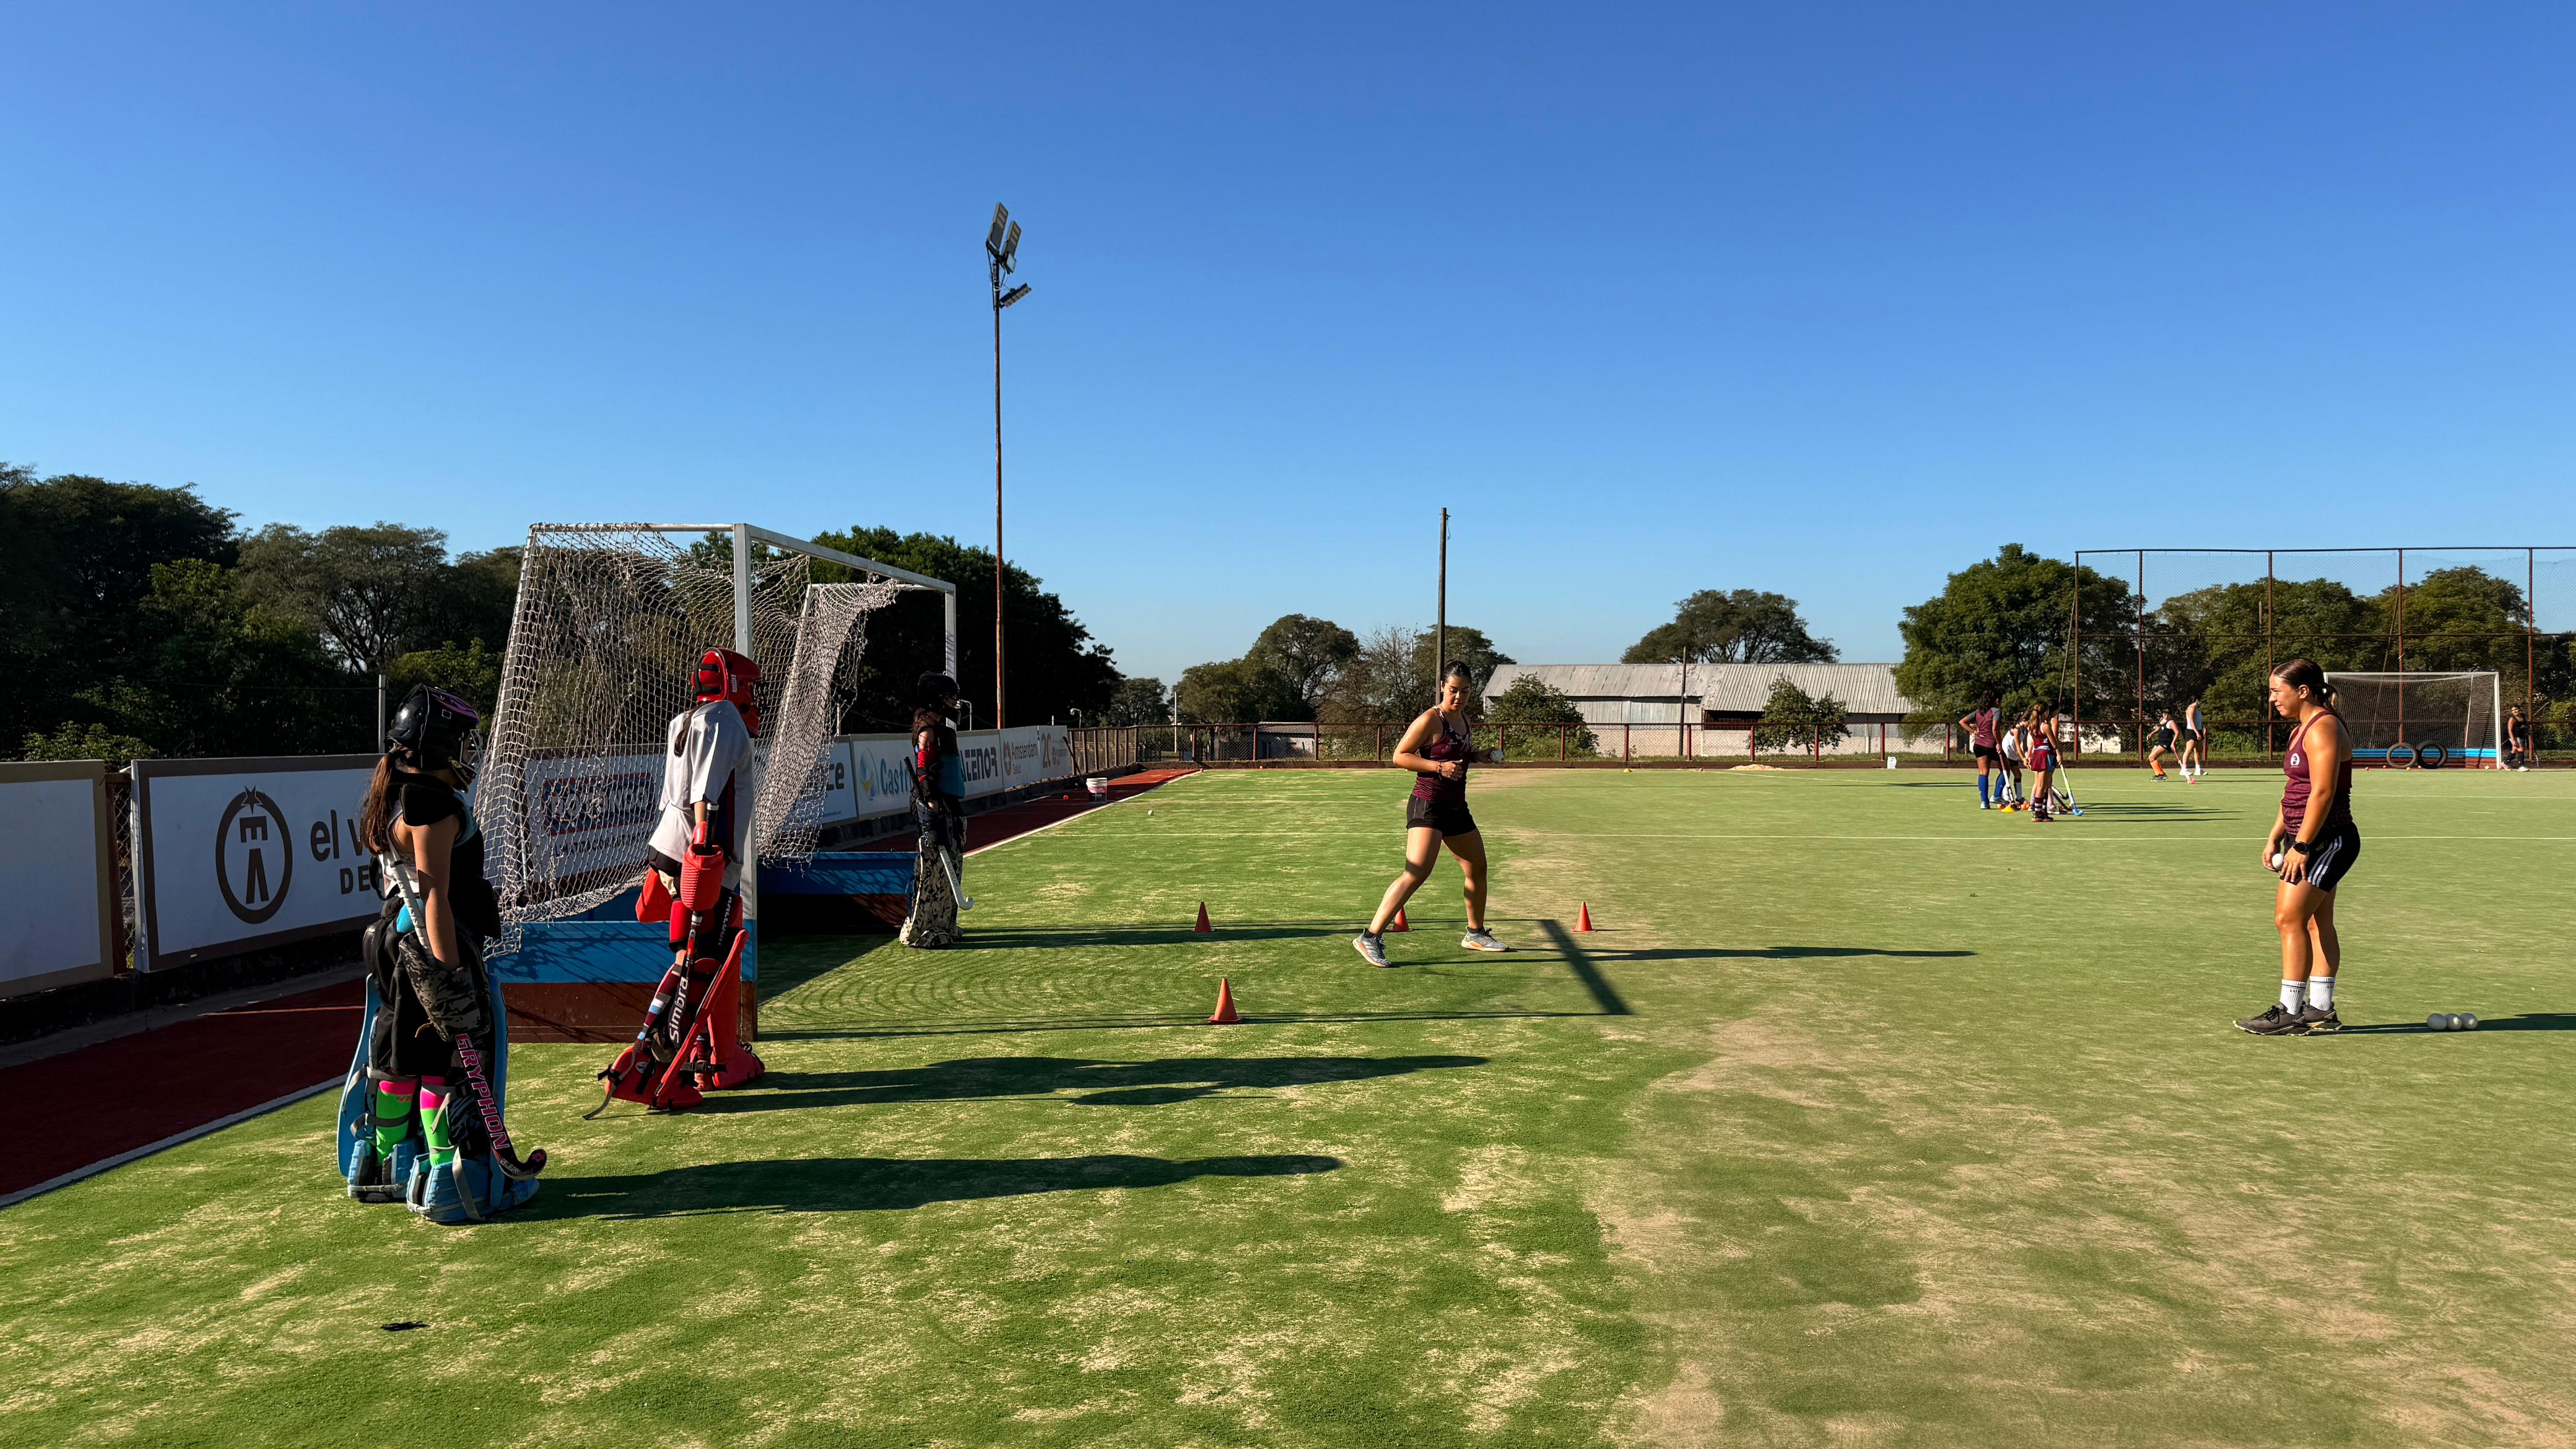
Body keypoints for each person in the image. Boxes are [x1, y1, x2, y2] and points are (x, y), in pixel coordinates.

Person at [346, 684, 528, 1208]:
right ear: (441, 747)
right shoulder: (433, 807)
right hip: (428, 945)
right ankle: (450, 1178)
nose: (471, 753)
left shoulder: (394, 792)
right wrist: (450, 975)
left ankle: (385, 1165)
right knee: (444, 1065)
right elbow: (435, 897)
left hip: (393, 941)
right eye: (464, 742)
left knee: (400, 1057)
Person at [642, 648, 760, 1066]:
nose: (753, 698)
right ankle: (685, 1052)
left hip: (668, 849)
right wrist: (704, 844)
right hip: (701, 855)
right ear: (734, 684)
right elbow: (705, 793)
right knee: (708, 958)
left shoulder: (684, 719)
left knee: (689, 954)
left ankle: (698, 1048)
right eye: (749, 688)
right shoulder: (724, 718)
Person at [1355, 663, 1507, 967]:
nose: (1459, 697)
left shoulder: (1464, 719)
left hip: (1456, 808)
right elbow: (1400, 756)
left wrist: (1479, 755)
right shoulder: (1430, 719)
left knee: (1477, 868)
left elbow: (1458, 755)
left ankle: (1475, 933)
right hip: (1428, 805)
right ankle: (1369, 937)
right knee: (1416, 872)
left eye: (1465, 692)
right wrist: (1438, 767)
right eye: (1453, 691)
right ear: (1442, 687)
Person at [2238, 659, 2359, 1036]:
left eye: (2277, 691)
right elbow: (2294, 791)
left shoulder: (2323, 728)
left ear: (2303, 691)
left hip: (2327, 840)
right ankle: (2320, 1010)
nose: (2272, 699)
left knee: (2288, 919)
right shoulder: (2299, 730)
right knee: (2314, 921)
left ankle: (2289, 1011)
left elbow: (2322, 792)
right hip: (2304, 838)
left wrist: (2302, 845)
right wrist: (2275, 835)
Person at [900, 672, 968, 949]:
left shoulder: (941, 729)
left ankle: (946, 921)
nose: (954, 703)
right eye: (950, 698)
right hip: (936, 804)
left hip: (950, 803)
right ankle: (928, 926)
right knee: (935, 869)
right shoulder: (927, 731)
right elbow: (923, 769)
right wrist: (931, 801)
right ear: (936, 699)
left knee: (953, 863)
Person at [1959, 692, 2005, 809]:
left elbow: (1962, 722)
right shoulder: (1996, 711)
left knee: (1983, 772)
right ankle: (1997, 795)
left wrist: (1974, 732)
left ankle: (1984, 802)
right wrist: (1999, 744)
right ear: (1996, 701)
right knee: (2006, 770)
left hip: (1979, 744)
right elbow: (1995, 729)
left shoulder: (1978, 712)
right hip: (1991, 744)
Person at [2025, 702, 2061, 823]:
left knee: (2045, 785)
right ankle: (2037, 813)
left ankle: (2044, 811)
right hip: (2045, 755)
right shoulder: (2045, 726)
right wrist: (2059, 754)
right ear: (2046, 712)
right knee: (2041, 786)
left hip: (2038, 755)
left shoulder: (2032, 725)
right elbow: (2053, 742)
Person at [2180, 695, 2208, 781]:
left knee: (2198, 750)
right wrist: (2197, 733)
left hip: (2198, 730)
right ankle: (2184, 769)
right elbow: (2191, 722)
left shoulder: (2197, 710)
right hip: (2191, 731)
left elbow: (2198, 721)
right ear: (2197, 700)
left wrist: (2203, 728)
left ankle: (2198, 770)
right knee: (2189, 750)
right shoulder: (2191, 708)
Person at [2144, 710, 2179, 780]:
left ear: (2170, 715)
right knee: (2152, 758)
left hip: (2166, 743)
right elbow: (2159, 728)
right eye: (2164, 713)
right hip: (2160, 741)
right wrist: (2152, 734)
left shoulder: (2171, 722)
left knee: (2151, 757)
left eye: (2167, 713)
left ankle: (2162, 775)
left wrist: (2173, 743)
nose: (2165, 715)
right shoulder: (2162, 720)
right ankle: (2159, 775)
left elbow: (2177, 732)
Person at [2504, 705, 2535, 771]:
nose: (2515, 711)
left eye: (2516, 709)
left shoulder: (2523, 716)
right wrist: (2513, 740)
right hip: (2515, 736)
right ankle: (2521, 766)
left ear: (2519, 710)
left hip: (2521, 735)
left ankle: (2505, 763)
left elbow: (2526, 724)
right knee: (2521, 749)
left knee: (2514, 750)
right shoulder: (2512, 719)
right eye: (2513, 710)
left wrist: (2528, 730)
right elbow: (2510, 730)